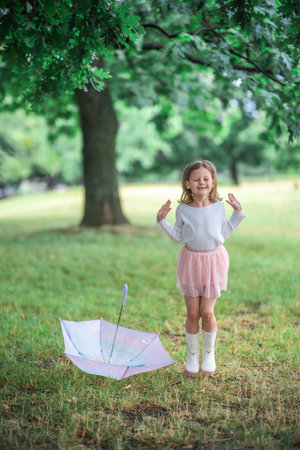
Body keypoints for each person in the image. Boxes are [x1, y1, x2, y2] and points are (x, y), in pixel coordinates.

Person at [156, 160, 245, 377]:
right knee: (193, 312)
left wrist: (237, 213)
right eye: (196, 179)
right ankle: (192, 356)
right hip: (191, 262)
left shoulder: (218, 207)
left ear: (213, 182)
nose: (201, 182)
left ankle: (209, 353)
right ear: (188, 184)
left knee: (207, 311)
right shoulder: (183, 210)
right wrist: (161, 221)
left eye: (206, 179)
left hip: (214, 261)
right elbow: (177, 236)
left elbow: (223, 233)